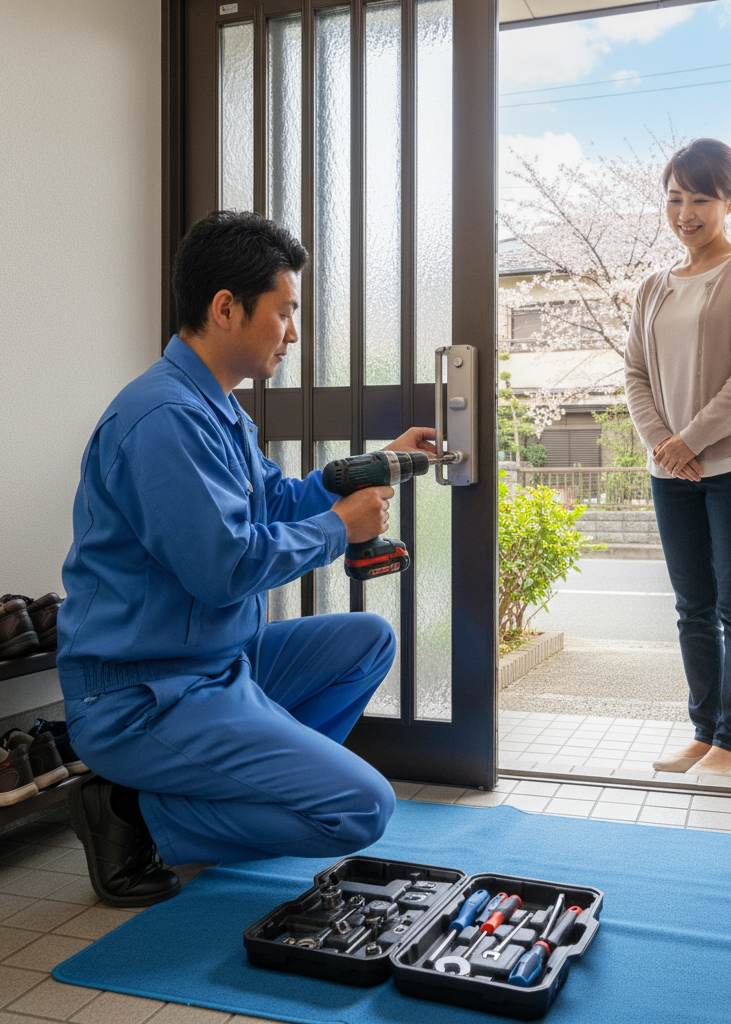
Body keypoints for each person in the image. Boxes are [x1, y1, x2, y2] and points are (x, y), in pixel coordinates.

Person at [57, 210, 433, 906]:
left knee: (368, 641)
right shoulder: (164, 419)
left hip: (215, 664)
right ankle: (133, 814)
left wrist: (368, 469)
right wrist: (339, 530)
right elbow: (224, 566)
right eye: (285, 313)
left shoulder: (217, 410)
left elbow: (277, 501)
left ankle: (242, 776)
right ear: (226, 308)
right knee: (361, 809)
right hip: (144, 695)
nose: (294, 333)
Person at [624, 139, 731, 779]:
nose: (685, 212)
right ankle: (702, 730)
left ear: (730, 200)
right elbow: (634, 372)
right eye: (674, 198)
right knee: (693, 606)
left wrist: (690, 439)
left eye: (700, 198)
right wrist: (663, 444)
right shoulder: (653, 287)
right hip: (672, 472)